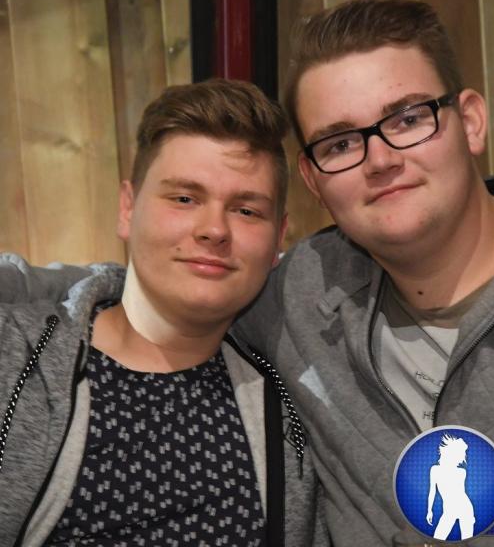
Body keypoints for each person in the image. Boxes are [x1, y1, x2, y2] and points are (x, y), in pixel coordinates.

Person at [3, 0, 494, 547]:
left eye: (407, 118)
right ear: (313, 178)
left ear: (469, 121)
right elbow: (170, 283)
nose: (380, 159)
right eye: (340, 142)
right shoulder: (304, 291)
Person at [0, 79, 328, 547]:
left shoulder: (292, 402)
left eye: (246, 211)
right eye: (184, 199)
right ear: (127, 209)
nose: (214, 229)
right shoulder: (15, 357)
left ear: (278, 237)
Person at [426, 434, 474, 540]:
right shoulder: (435, 470)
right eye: (461, 454)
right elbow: (432, 491)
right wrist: (429, 510)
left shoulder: (462, 472)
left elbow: (461, 493)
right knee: (438, 538)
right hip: (449, 510)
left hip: (465, 508)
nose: (463, 457)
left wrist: (470, 517)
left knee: (468, 541)